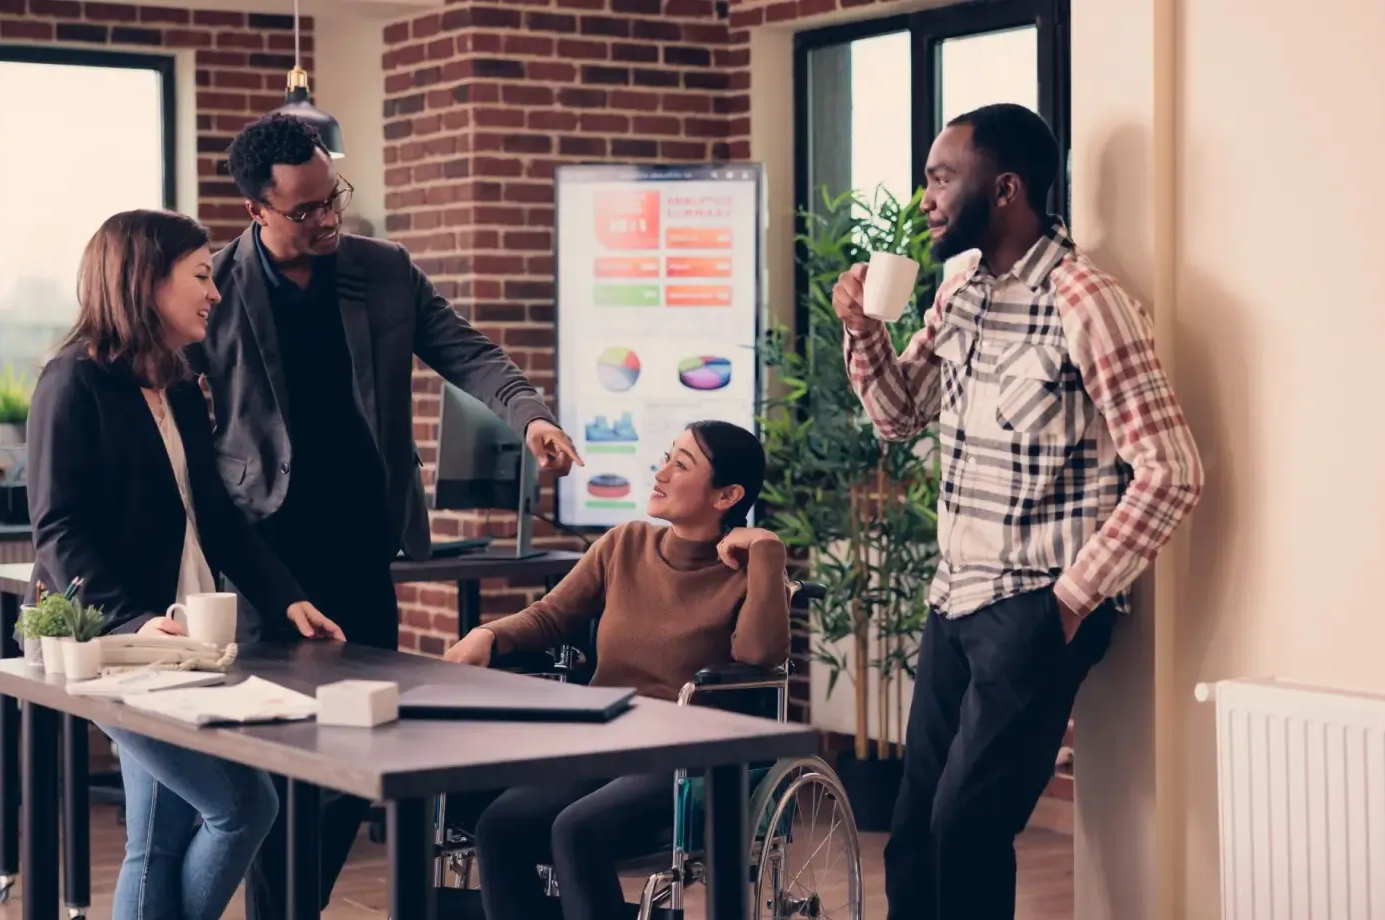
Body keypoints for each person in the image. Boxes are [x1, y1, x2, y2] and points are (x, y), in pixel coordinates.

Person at [196, 113, 583, 920]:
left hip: (363, 541)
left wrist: (531, 415)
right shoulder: (217, 287)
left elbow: (469, 351)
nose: (329, 218)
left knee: (356, 744)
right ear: (256, 211)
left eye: (331, 197)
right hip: (261, 550)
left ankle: (295, 904)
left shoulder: (382, 270)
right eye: (305, 210)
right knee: (272, 754)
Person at [833, 103, 1205, 920]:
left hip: (1033, 606)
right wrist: (863, 333)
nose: (925, 198)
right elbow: (900, 415)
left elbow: (1173, 470)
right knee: (914, 835)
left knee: (967, 826)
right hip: (952, 597)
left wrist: (1071, 602)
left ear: (1005, 190)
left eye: (940, 178)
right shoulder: (959, 285)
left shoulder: (1088, 301)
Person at [27, 209, 344, 920]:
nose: (215, 292)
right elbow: (59, 531)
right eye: (201, 276)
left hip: (179, 643)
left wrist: (285, 596)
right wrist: (137, 621)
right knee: (241, 805)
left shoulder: (174, 383)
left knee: (159, 838)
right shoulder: (69, 383)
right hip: (111, 643)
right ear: (145, 282)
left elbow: (218, 517)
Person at [442, 421, 792, 920]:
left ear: (727, 495)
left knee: (577, 830)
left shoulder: (746, 574)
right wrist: (490, 635)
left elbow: (761, 656)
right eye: (667, 455)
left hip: (687, 757)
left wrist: (766, 550)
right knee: (500, 825)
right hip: (605, 740)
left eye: (681, 464)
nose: (662, 471)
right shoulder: (624, 544)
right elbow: (550, 616)